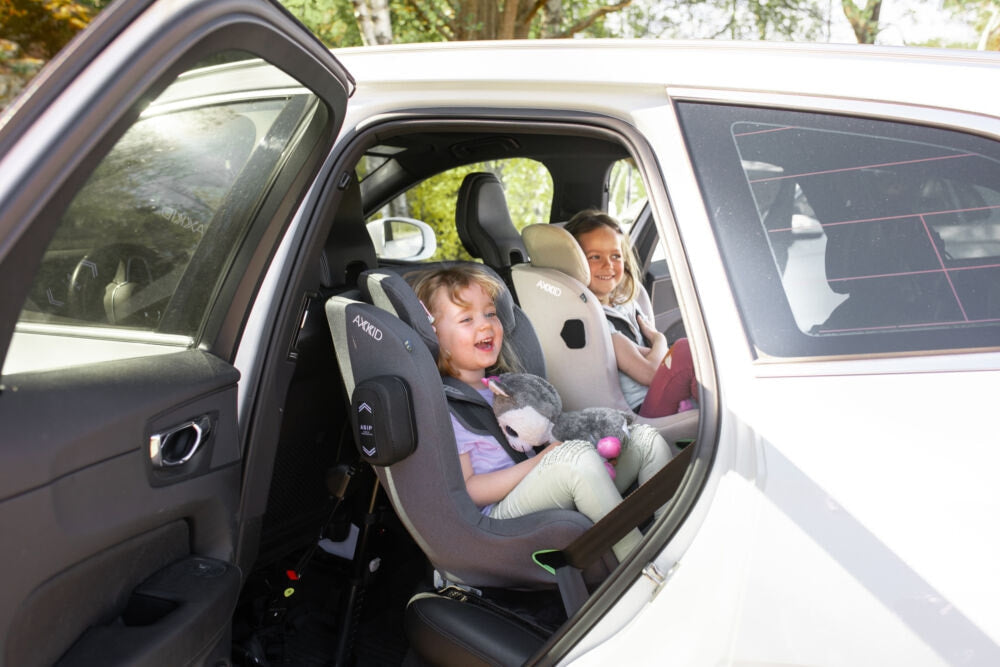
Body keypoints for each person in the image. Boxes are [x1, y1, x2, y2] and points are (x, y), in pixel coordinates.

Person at [410, 264, 673, 562]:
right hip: (499, 516)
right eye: (466, 319)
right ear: (435, 335)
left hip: (543, 483)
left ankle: (674, 536)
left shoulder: (506, 385)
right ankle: (640, 563)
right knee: (574, 459)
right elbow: (471, 491)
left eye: (490, 313)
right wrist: (543, 460)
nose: (485, 325)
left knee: (644, 439)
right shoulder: (449, 407)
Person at [564, 209, 697, 418]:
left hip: (660, 397)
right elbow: (651, 373)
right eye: (595, 257)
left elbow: (650, 357)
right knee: (684, 351)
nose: (608, 264)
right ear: (574, 263)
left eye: (615, 256)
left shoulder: (624, 305)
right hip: (642, 413)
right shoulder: (597, 322)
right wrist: (659, 340)